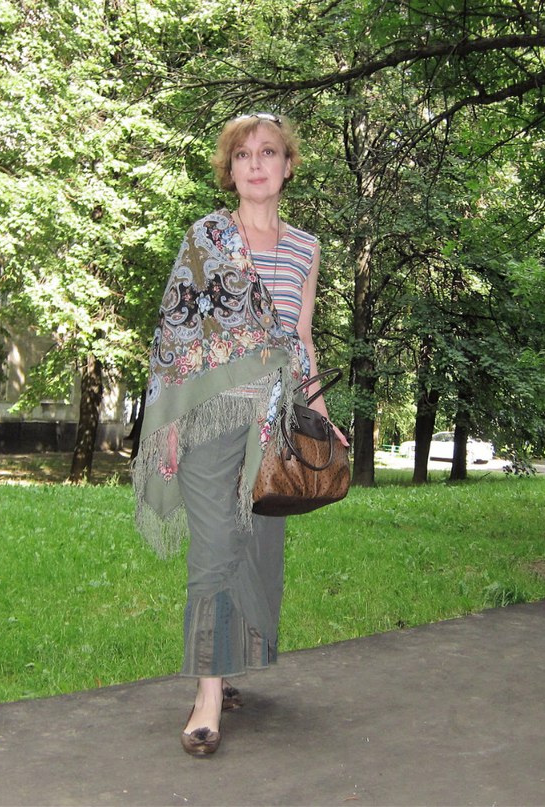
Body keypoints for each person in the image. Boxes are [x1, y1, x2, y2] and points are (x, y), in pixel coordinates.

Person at [132, 113, 347, 756]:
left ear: (288, 166)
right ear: (230, 170)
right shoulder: (207, 238)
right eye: (244, 154)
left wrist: (320, 412)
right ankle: (206, 697)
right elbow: (176, 335)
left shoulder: (306, 248)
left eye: (269, 152)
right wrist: (168, 422)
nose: (256, 163)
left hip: (274, 422)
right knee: (215, 546)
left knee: (258, 548)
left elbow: (300, 338)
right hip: (209, 416)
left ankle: (224, 667)